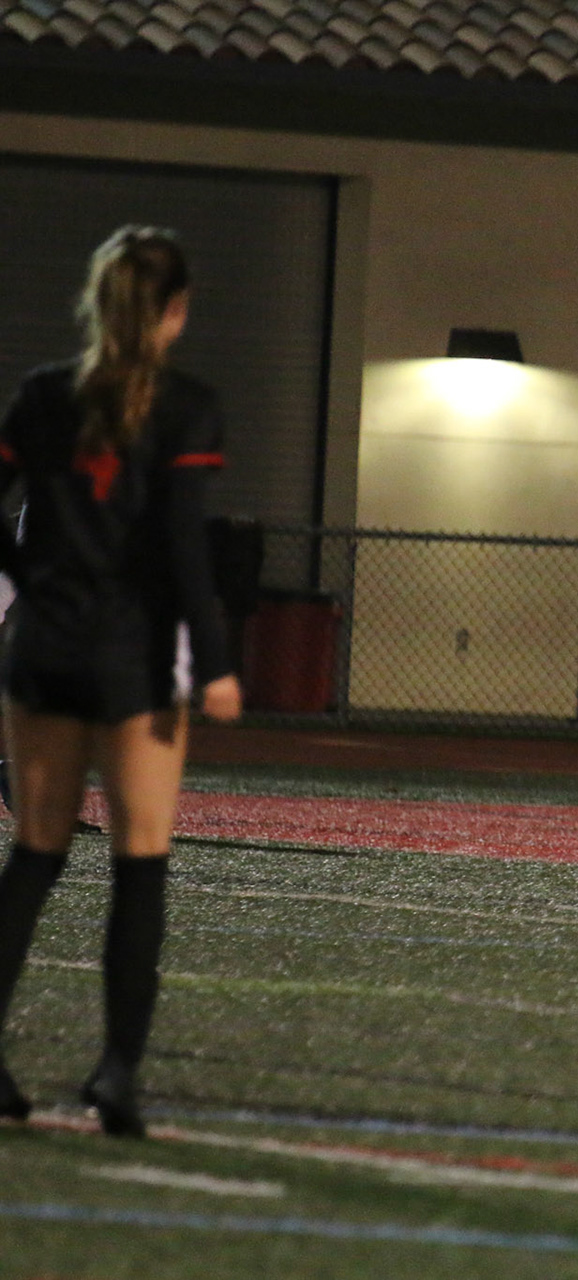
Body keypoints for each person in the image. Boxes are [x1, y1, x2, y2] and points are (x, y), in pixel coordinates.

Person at [0, 225, 243, 1138]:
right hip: (130, 654)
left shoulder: (41, 393)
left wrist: (33, 586)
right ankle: (115, 1074)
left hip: (43, 647)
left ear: (97, 304)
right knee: (141, 863)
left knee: (35, 854)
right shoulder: (187, 405)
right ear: (175, 312)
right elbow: (183, 548)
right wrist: (215, 665)